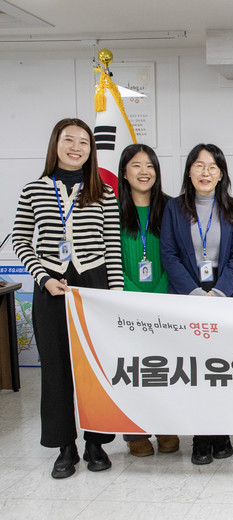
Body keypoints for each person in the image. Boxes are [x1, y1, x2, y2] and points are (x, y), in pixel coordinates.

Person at [12, 118, 122, 479]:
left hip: (94, 285)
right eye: (69, 140)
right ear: (55, 144)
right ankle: (65, 446)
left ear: (92, 150)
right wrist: (42, 277)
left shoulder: (103, 192)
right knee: (56, 369)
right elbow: (21, 239)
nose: (76, 148)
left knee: (95, 368)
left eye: (84, 142)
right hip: (51, 286)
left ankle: (96, 443)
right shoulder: (33, 190)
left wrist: (115, 295)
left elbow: (112, 246)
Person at [160, 143, 233, 465]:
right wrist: (196, 294)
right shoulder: (173, 208)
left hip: (225, 299)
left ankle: (221, 434)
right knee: (194, 372)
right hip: (187, 298)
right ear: (189, 171)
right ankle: (199, 437)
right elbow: (169, 255)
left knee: (222, 371)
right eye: (199, 165)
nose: (205, 172)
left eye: (212, 167)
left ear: (221, 174)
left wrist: (219, 294)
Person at [116, 143, 180, 458]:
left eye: (150, 166)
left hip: (164, 300)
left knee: (164, 368)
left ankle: (167, 425)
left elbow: (176, 254)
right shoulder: (111, 209)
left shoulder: (171, 207)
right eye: (137, 165)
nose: (144, 172)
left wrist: (159, 291)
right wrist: (131, 292)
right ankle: (135, 432)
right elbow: (108, 256)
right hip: (124, 302)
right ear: (124, 172)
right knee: (132, 370)